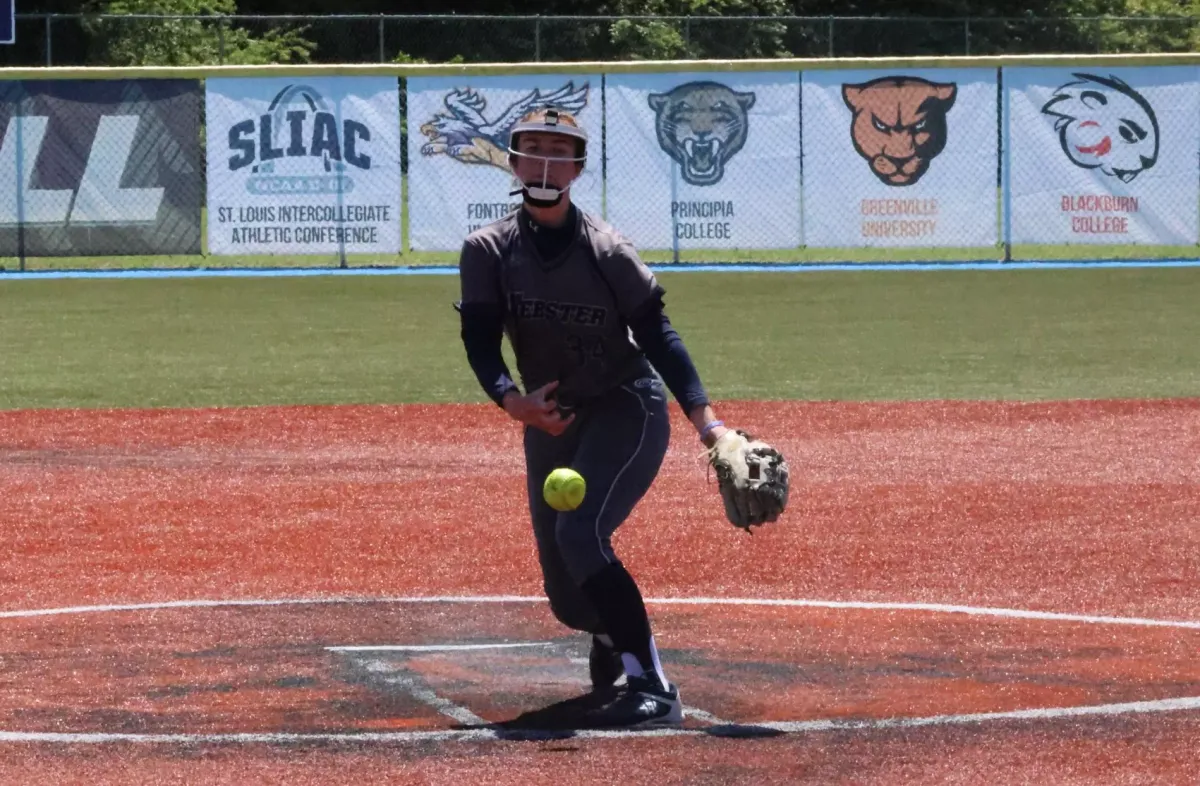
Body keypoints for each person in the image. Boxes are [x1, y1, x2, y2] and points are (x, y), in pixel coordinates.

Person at [455, 107, 736, 729]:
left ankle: (653, 688)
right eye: (533, 148)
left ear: (578, 168)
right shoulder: (487, 250)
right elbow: (479, 337)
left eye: (560, 152)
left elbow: (659, 336)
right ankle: (609, 632)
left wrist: (709, 425)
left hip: (625, 404)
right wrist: (512, 401)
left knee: (580, 534)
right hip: (549, 420)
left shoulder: (607, 250)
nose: (545, 163)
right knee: (566, 596)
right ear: (514, 161)